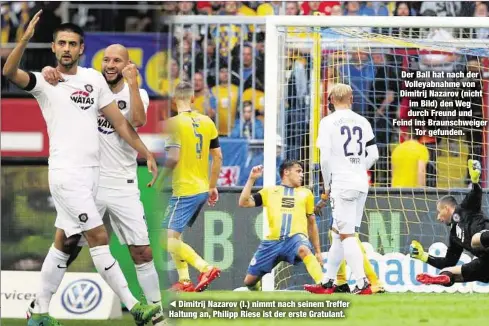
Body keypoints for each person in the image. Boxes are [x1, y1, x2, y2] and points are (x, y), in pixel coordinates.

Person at [2, 12, 160, 326]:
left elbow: (121, 124)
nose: (66, 48)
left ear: (81, 49)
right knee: (99, 237)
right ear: (53, 47)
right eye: (61, 43)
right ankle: (136, 307)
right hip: (66, 174)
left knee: (65, 242)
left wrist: (146, 153)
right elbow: (9, 72)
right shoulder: (45, 84)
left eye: (72, 44)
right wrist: (23, 39)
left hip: (93, 176)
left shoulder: (93, 80)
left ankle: (39, 312)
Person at [41, 44, 164, 325]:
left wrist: (132, 85)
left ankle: (156, 315)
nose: (110, 64)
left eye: (117, 61)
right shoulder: (88, 86)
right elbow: (61, 71)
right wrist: (49, 70)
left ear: (128, 65)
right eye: (106, 59)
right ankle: (40, 307)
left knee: (142, 251)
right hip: (87, 181)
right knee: (66, 242)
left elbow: (136, 120)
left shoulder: (139, 94)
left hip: (123, 182)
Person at [305, 83, 379, 295]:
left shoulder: (327, 122)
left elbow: (325, 158)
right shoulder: (363, 121)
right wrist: (356, 168)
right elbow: (373, 155)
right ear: (351, 99)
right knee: (339, 233)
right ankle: (328, 281)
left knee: (346, 235)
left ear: (330, 100)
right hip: (360, 182)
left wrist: (328, 185)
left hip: (342, 183)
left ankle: (363, 283)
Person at [160, 81, 222, 292]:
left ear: (173, 100)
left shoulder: (173, 124)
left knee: (164, 240)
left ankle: (205, 268)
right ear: (193, 98)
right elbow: (218, 157)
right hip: (202, 188)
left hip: (184, 190)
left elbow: (173, 157)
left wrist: (158, 181)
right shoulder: (207, 122)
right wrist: (212, 186)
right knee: (174, 237)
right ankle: (185, 281)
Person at [238, 161, 324, 290]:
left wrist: (317, 251)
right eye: (298, 171)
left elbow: (311, 222)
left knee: (303, 249)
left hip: (295, 239)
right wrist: (251, 179)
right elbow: (243, 202)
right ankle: (257, 290)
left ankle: (323, 285)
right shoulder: (270, 191)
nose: (302, 175)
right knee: (249, 282)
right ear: (286, 172)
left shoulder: (306, 193)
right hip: (272, 242)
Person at [410, 160, 489, 286]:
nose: (438, 217)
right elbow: (448, 262)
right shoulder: (454, 236)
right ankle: (444, 279)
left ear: (446, 208)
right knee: (447, 271)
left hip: (484, 240)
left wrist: (475, 181)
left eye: (438, 212)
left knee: (475, 240)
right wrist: (423, 256)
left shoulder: (465, 208)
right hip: (486, 263)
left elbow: (476, 193)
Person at [315, 196, 385, 294]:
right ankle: (341, 282)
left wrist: (324, 197)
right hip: (346, 194)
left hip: (346, 193)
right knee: (337, 235)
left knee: (349, 238)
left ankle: (373, 281)